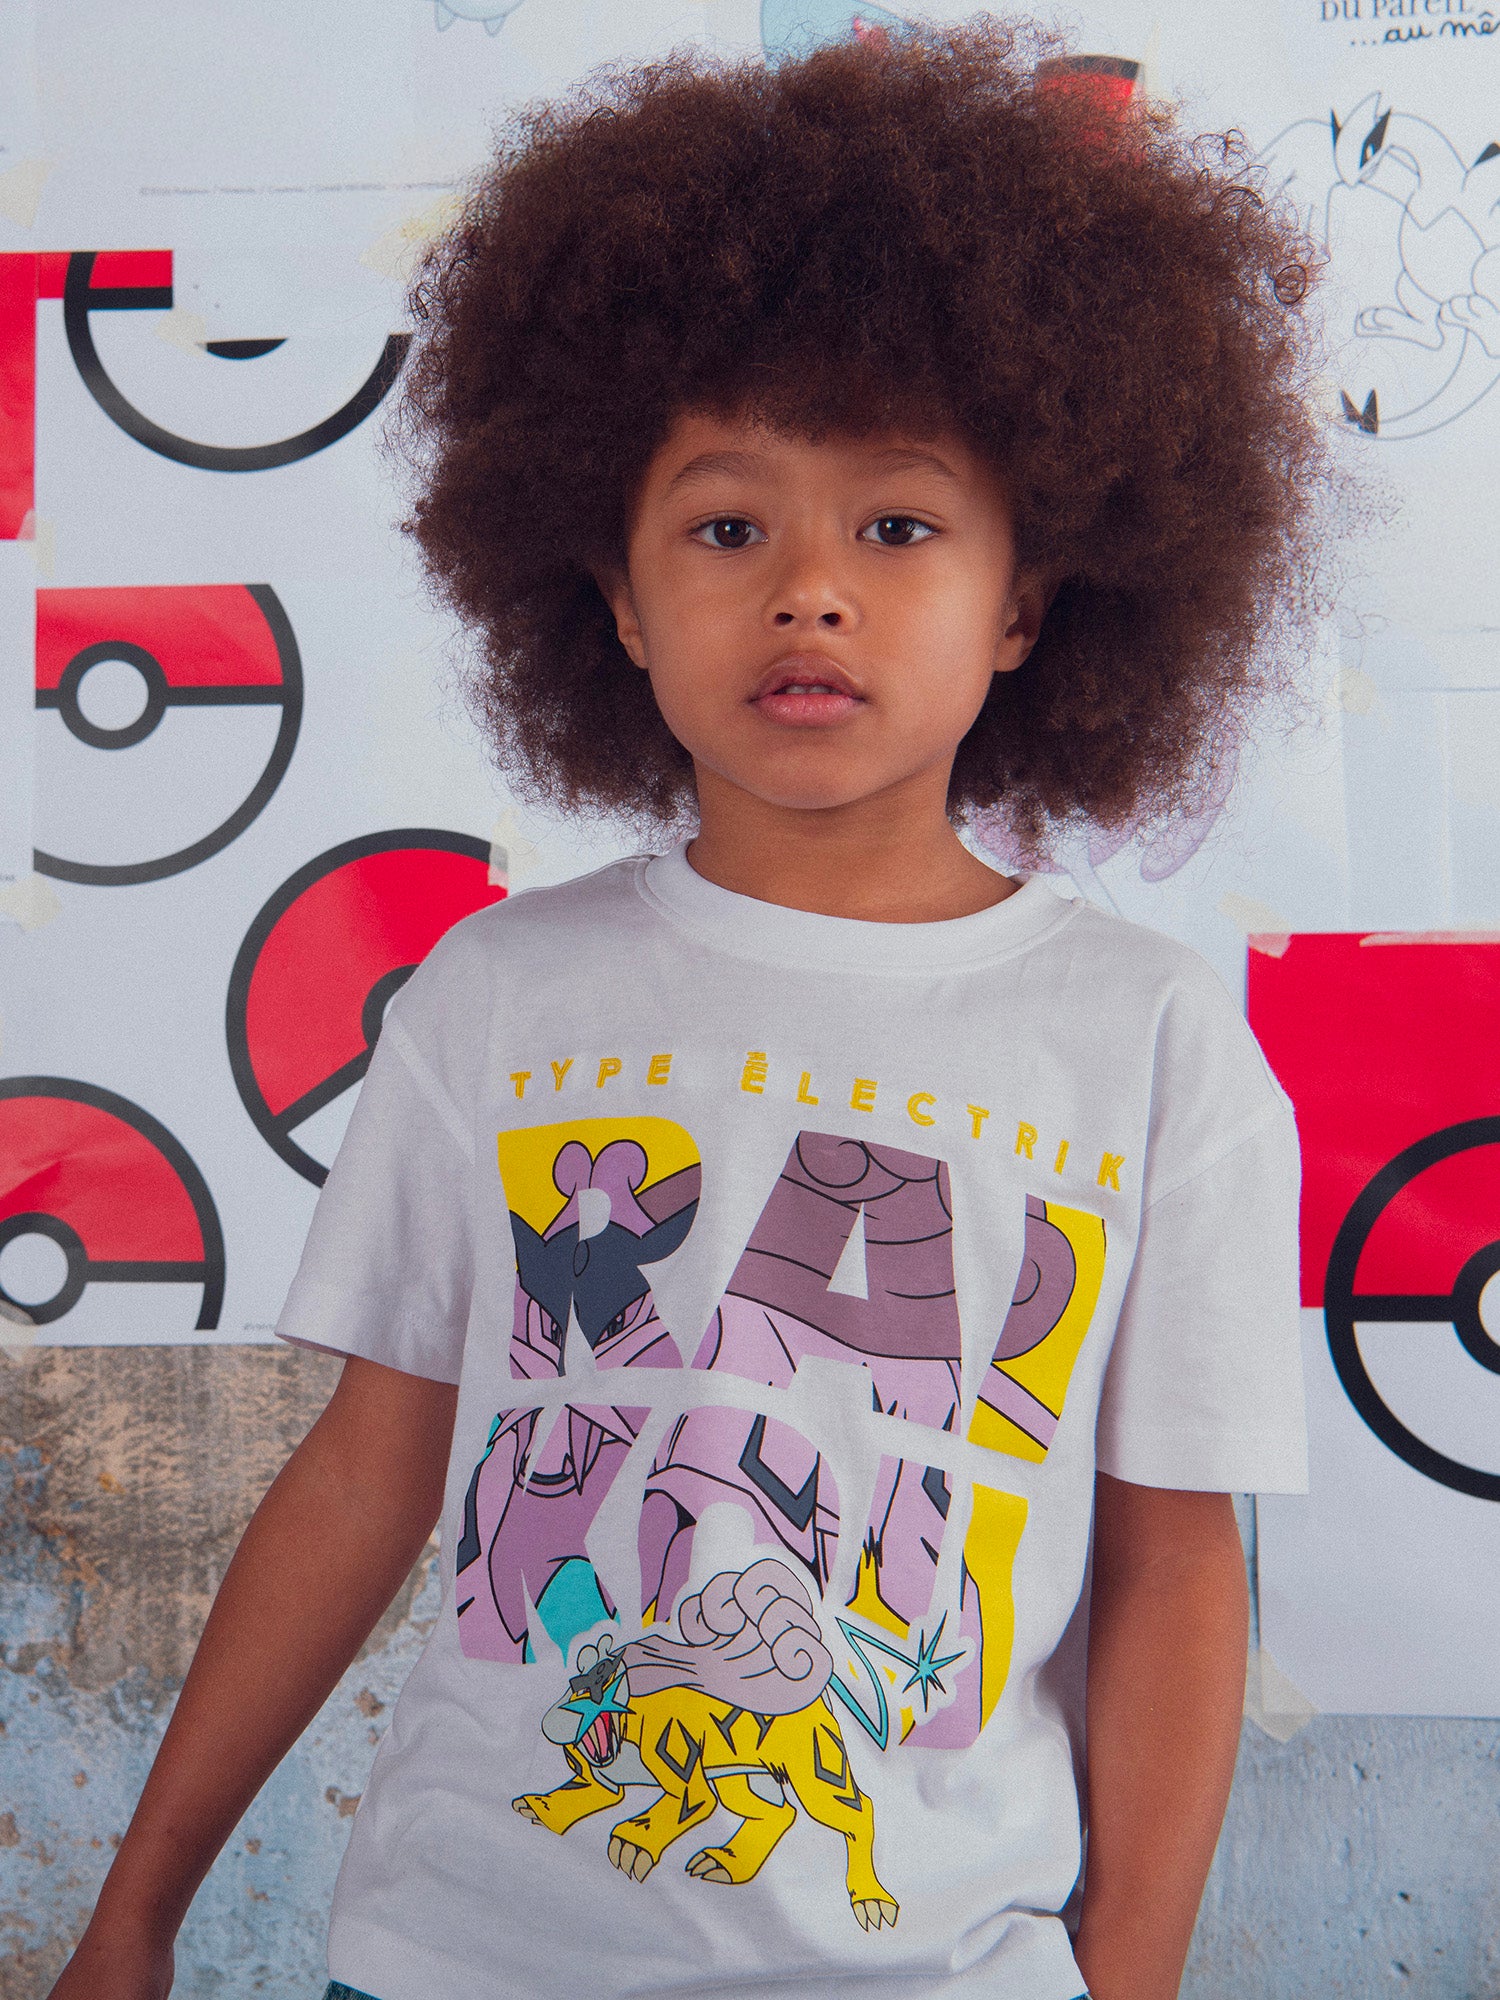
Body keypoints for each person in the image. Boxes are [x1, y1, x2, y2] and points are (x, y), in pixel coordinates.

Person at [51, 18, 1327, 2000]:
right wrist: (134, 1910)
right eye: (730, 527)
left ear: (1025, 602)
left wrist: (1131, 1976)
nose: (811, 590)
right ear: (621, 601)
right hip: (459, 1958)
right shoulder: (498, 995)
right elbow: (369, 1471)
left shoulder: (1154, 1045)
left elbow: (1175, 1568)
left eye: (898, 526)